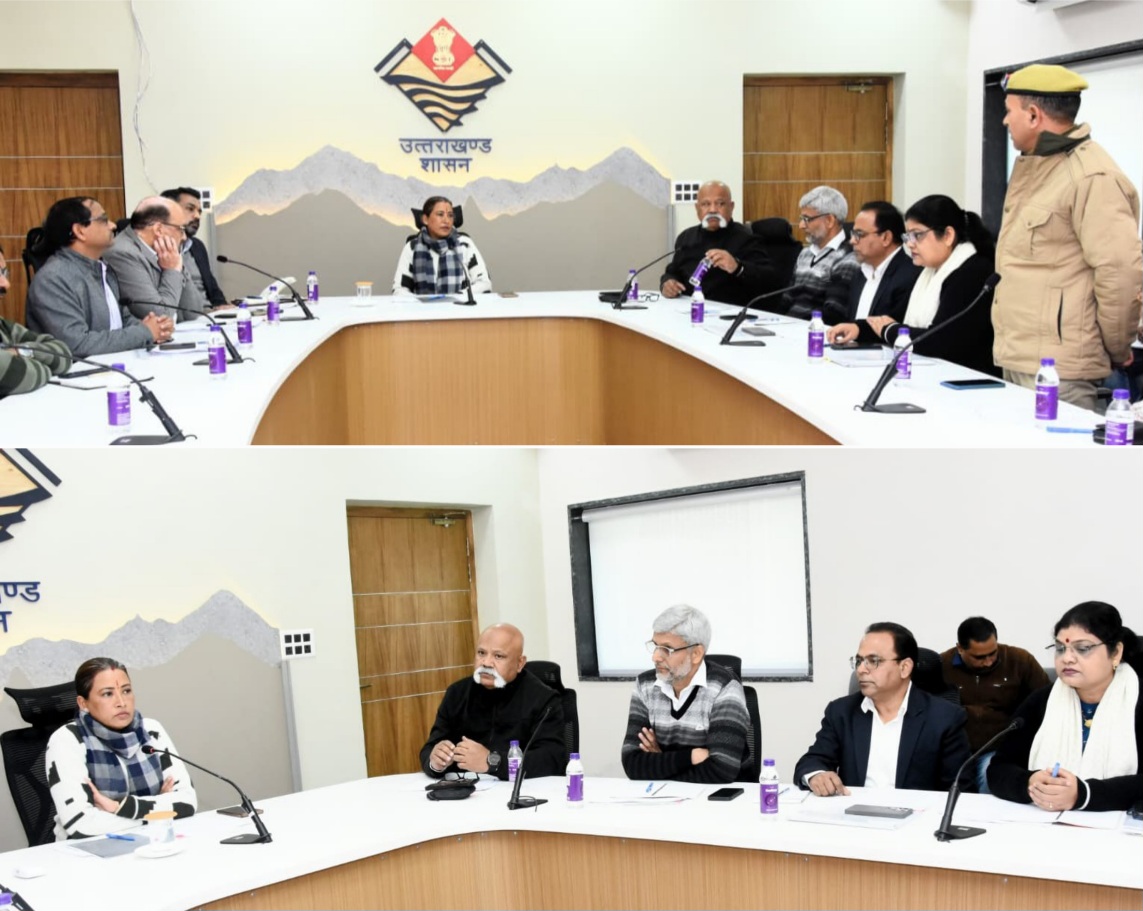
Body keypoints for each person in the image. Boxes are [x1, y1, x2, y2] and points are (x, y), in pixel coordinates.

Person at [994, 64, 1143, 412]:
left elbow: (1119, 272)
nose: (1004, 121)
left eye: (1009, 111)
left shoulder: (1090, 176)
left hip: (1060, 370)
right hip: (1019, 356)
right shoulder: (1039, 168)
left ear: (1034, 115)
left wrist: (1117, 347)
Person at [988, 602, 1142, 813]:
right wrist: (1030, 782)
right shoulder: (1041, 701)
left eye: (1083, 648)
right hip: (1042, 824)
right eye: (1060, 648)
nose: (1067, 658)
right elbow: (998, 769)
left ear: (1115, 653)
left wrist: (1083, 794)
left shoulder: (1137, 700)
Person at [827, 195, 999, 376]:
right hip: (937, 372)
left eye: (917, 235)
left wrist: (889, 331)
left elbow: (940, 340)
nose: (909, 244)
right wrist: (858, 329)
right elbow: (897, 319)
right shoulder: (929, 272)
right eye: (908, 236)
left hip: (969, 379)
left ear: (948, 235)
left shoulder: (972, 272)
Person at [795, 622, 972, 795]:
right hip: (854, 810)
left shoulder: (944, 718)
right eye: (859, 661)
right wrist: (816, 775)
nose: (861, 670)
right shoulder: (841, 712)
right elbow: (812, 760)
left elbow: (962, 789)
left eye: (873, 661)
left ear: (904, 668)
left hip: (917, 812)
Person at [44, 657, 197, 840]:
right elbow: (80, 824)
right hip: (88, 849)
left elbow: (187, 803)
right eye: (107, 694)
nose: (121, 702)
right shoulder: (67, 739)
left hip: (153, 841)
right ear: (83, 703)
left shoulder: (151, 730)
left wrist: (118, 808)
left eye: (126, 691)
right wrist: (158, 811)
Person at [26, 197, 173, 355]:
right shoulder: (52, 279)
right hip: (78, 370)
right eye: (103, 219)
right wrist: (144, 333)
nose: (113, 225)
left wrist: (155, 327)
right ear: (80, 231)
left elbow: (122, 320)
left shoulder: (103, 269)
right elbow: (76, 345)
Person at [621, 605, 750, 784]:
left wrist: (660, 761)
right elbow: (632, 764)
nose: (655, 657)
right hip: (663, 796)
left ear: (696, 654)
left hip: (722, 797)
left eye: (667, 649)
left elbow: (721, 770)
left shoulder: (724, 688)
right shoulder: (645, 685)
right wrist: (692, 756)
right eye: (655, 646)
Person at [420, 623, 564, 780]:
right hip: (465, 788)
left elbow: (552, 758)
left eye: (498, 656)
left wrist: (492, 762)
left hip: (518, 788)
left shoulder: (543, 699)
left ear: (520, 663)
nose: (486, 663)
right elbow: (430, 748)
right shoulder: (457, 693)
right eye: (481, 653)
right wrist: (435, 761)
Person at [940, 616, 1050, 794]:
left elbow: (1047, 701)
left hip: (999, 748)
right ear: (960, 648)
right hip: (955, 749)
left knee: (991, 777)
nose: (989, 661)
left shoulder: (1020, 661)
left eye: (993, 653)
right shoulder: (942, 666)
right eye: (979, 657)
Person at [659, 181, 779, 307]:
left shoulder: (747, 238)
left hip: (729, 313)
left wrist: (737, 267)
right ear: (697, 208)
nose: (712, 210)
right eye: (706, 204)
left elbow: (770, 280)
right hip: (689, 310)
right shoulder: (685, 237)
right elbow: (672, 272)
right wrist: (667, 283)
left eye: (720, 203)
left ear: (731, 207)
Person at [103, 196, 210, 323]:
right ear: (159, 229)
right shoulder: (123, 253)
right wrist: (172, 270)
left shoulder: (167, 253)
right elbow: (161, 315)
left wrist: (179, 267)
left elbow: (194, 312)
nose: (184, 237)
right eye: (181, 229)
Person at [779, 185, 860, 323]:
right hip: (789, 326)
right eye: (801, 218)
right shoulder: (804, 253)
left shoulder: (848, 258)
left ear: (829, 220)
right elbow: (787, 299)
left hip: (814, 329)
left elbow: (833, 313)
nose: (801, 225)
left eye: (807, 219)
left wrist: (791, 324)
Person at [1, 242, 73, 395]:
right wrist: (45, 368)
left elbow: (63, 354)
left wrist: (21, 351)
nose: (6, 284)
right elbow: (19, 375)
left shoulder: (2, 326)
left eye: (3, 273)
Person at [394, 196, 492, 295]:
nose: (446, 220)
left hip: (460, 304)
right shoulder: (412, 247)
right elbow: (399, 290)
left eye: (450, 215)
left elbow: (484, 283)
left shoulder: (464, 244)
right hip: (422, 305)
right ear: (425, 219)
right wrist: (421, 301)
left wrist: (457, 297)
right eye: (440, 214)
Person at [843, 201, 921, 324]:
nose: (852, 241)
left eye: (859, 234)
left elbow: (895, 328)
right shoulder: (859, 274)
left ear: (886, 238)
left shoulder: (910, 277)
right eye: (853, 234)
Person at [161, 187, 228, 308]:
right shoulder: (157, 249)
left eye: (199, 212)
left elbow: (213, 288)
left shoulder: (197, 246)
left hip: (211, 315)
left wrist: (224, 308)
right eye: (190, 209)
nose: (197, 216)